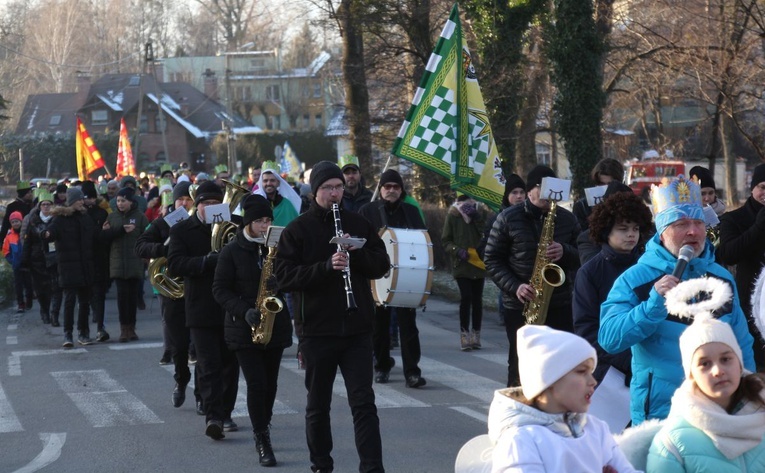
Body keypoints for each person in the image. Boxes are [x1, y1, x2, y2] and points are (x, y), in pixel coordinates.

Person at [599, 174, 755, 425]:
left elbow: (741, 342)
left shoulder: (721, 277)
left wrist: (748, 397)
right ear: (662, 232)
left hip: (718, 409)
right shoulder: (635, 279)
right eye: (681, 224)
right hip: (663, 414)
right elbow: (610, 338)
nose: (693, 231)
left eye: (698, 222)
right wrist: (653, 305)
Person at [274, 161, 390, 473]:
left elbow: (381, 265)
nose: (335, 193)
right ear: (315, 192)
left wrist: (356, 251)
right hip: (317, 330)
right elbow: (283, 276)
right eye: (328, 188)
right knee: (318, 405)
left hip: (357, 329)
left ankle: (372, 466)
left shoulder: (358, 222)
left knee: (363, 403)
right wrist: (326, 267)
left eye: (338, 186)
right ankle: (321, 464)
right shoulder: (299, 229)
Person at [488, 325, 639, 473]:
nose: (592, 381)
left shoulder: (595, 429)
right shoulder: (520, 441)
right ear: (550, 380)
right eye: (581, 372)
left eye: (591, 372)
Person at [213, 194, 293, 467]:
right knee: (257, 384)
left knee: (270, 385)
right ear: (248, 223)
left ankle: (264, 424)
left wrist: (280, 279)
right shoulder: (231, 251)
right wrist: (243, 310)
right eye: (259, 220)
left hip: (275, 325)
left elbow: (292, 279)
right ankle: (261, 438)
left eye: (268, 219)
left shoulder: (278, 248)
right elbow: (220, 290)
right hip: (243, 328)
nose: (264, 225)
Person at [484, 165, 581, 387]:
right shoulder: (508, 218)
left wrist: (565, 251)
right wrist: (516, 286)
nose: (549, 192)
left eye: (553, 187)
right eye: (543, 187)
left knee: (558, 364)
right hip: (520, 304)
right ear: (530, 191)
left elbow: (583, 255)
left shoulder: (567, 219)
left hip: (559, 303)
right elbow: (492, 258)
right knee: (520, 363)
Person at [167, 180, 239, 440]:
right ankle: (213, 416)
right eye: (206, 203)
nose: (211, 207)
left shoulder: (235, 225)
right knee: (209, 365)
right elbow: (174, 264)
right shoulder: (182, 230)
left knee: (230, 364)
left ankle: (227, 412)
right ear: (197, 206)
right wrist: (204, 262)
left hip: (231, 306)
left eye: (215, 203)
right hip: (200, 307)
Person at [647, 314, 765, 472]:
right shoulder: (671, 443)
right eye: (705, 364)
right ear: (691, 375)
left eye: (725, 359)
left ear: (739, 364)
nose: (718, 371)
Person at [573, 190, 653, 384]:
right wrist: (625, 362)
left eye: (635, 228)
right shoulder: (589, 272)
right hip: (608, 372)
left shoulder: (648, 267)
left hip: (649, 366)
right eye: (623, 229)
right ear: (606, 230)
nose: (631, 235)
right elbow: (587, 329)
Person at [360, 169, 429, 388]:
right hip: (377, 276)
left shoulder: (411, 211)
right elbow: (361, 242)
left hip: (406, 276)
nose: (391, 191)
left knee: (408, 327)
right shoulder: (368, 211)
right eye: (387, 187)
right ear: (380, 189)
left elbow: (422, 242)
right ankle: (381, 366)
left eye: (395, 187)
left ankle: (412, 372)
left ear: (401, 190)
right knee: (379, 326)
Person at [136, 181, 199, 410]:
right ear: (174, 202)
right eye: (180, 199)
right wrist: (163, 250)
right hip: (172, 292)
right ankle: (181, 381)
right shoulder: (163, 224)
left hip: (198, 290)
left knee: (202, 346)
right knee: (179, 345)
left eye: (188, 199)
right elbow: (140, 246)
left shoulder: (200, 224)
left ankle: (202, 393)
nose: (184, 203)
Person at [717, 163, 765, 368]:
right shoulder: (733, 218)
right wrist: (759, 226)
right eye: (763, 187)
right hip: (750, 303)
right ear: (753, 188)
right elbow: (729, 254)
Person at [45, 188, 96, 347]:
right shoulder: (60, 219)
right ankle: (68, 334)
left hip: (85, 266)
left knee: (85, 302)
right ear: (72, 201)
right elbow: (50, 233)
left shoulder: (85, 218)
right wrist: (45, 235)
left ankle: (84, 333)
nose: (82, 202)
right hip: (67, 267)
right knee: (69, 302)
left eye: (83, 199)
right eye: (79, 200)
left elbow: (95, 236)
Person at [479, 174, 526, 328]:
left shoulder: (530, 216)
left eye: (521, 192)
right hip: (506, 271)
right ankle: (503, 314)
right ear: (507, 196)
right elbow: (486, 249)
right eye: (514, 193)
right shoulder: (498, 218)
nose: (519, 196)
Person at [442, 194, 488, 351]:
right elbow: (446, 241)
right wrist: (457, 251)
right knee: (466, 297)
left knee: (477, 300)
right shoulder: (453, 216)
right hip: (461, 263)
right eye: (462, 204)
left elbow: (487, 233)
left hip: (478, 262)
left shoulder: (480, 213)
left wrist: (477, 218)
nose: (465, 207)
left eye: (469, 204)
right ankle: (464, 333)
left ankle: (476, 334)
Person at [102, 187, 148, 342]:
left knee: (133, 297)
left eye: (123, 200)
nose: (120, 203)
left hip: (135, 261)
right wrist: (109, 231)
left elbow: (146, 237)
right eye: (118, 200)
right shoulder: (112, 216)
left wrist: (145, 256)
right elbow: (105, 238)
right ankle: (123, 329)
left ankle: (132, 329)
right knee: (122, 298)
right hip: (117, 262)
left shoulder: (140, 217)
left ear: (131, 201)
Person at [21, 191, 59, 324]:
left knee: (56, 288)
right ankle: (45, 310)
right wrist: (24, 260)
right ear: (39, 206)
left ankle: (55, 314)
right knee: (41, 289)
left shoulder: (57, 220)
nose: (46, 207)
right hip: (37, 260)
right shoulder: (33, 221)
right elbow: (27, 242)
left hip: (55, 259)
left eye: (49, 204)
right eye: (44, 204)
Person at [82, 181, 110, 342]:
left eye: (91, 198)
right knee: (85, 296)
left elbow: (105, 237)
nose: (88, 201)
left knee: (99, 295)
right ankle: (83, 330)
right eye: (86, 198)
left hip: (99, 259)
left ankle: (100, 327)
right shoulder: (78, 215)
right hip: (83, 261)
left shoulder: (102, 213)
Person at [572, 158, 625, 232]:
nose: (606, 188)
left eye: (610, 184)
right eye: (601, 184)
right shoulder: (582, 206)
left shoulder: (627, 204)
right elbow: (580, 236)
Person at [254, 161, 301, 227]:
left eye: (272, 180)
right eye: (265, 180)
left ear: (278, 183)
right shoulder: (255, 203)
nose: (268, 183)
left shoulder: (287, 205)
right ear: (261, 183)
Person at [4, 211, 33, 312]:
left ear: (21, 221)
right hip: (16, 265)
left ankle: (29, 300)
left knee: (29, 284)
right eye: (13, 222)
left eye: (17, 221)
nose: (15, 223)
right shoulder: (9, 236)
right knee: (18, 286)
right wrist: (12, 261)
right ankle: (21, 304)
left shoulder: (26, 233)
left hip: (27, 264)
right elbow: (6, 251)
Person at [1, 181, 34, 249]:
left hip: (31, 237)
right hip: (16, 238)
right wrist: (1, 240)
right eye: (28, 193)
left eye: (31, 192)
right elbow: (5, 224)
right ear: (22, 194)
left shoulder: (32, 205)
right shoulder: (12, 206)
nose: (31, 194)